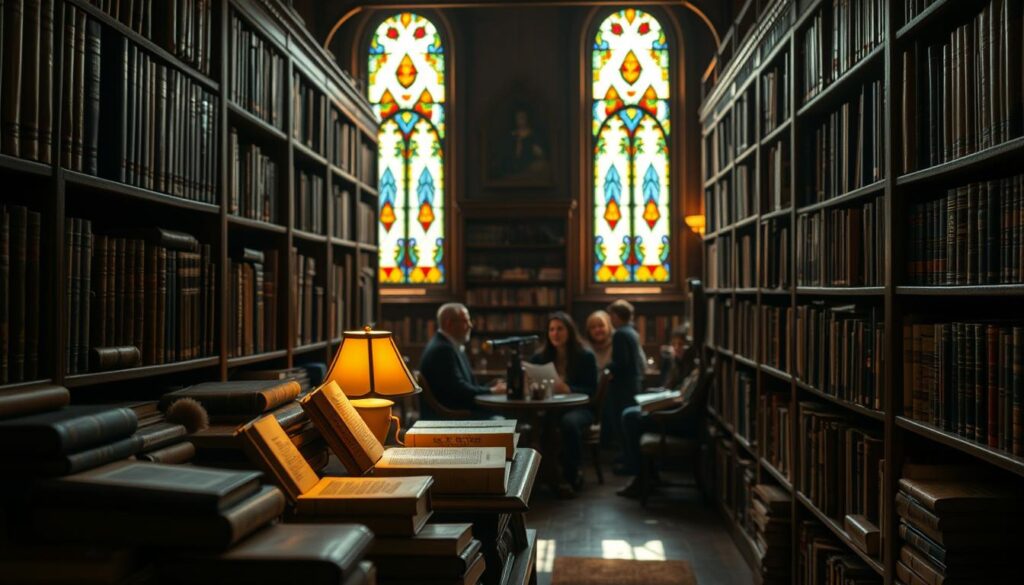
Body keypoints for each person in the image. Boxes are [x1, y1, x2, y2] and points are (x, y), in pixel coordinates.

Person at [617, 330, 702, 498]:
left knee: (630, 417)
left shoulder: (695, 369)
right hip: (671, 411)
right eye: (675, 344)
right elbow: (672, 390)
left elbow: (685, 401)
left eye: (682, 345)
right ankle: (646, 474)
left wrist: (662, 404)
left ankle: (641, 475)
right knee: (631, 412)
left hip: (679, 419)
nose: (677, 348)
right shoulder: (677, 364)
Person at [529, 312, 598, 494]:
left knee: (568, 423)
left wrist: (568, 389)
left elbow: (591, 391)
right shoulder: (540, 357)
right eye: (551, 329)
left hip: (580, 409)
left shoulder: (585, 356)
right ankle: (537, 475)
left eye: (560, 329)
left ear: (569, 331)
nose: (555, 333)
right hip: (548, 409)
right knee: (533, 425)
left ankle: (571, 474)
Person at [419, 303, 505, 418]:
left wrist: (490, 387)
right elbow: (459, 392)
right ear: (449, 323)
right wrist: (492, 391)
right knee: (509, 417)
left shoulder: (450, 345)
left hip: (460, 408)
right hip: (454, 416)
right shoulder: (442, 350)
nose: (470, 325)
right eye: (465, 321)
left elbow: (463, 386)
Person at [604, 300, 645, 451]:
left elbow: (621, 362)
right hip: (633, 384)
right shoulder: (632, 332)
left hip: (622, 387)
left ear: (615, 316)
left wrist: (606, 368)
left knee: (621, 424)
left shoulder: (620, 334)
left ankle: (627, 460)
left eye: (611, 316)